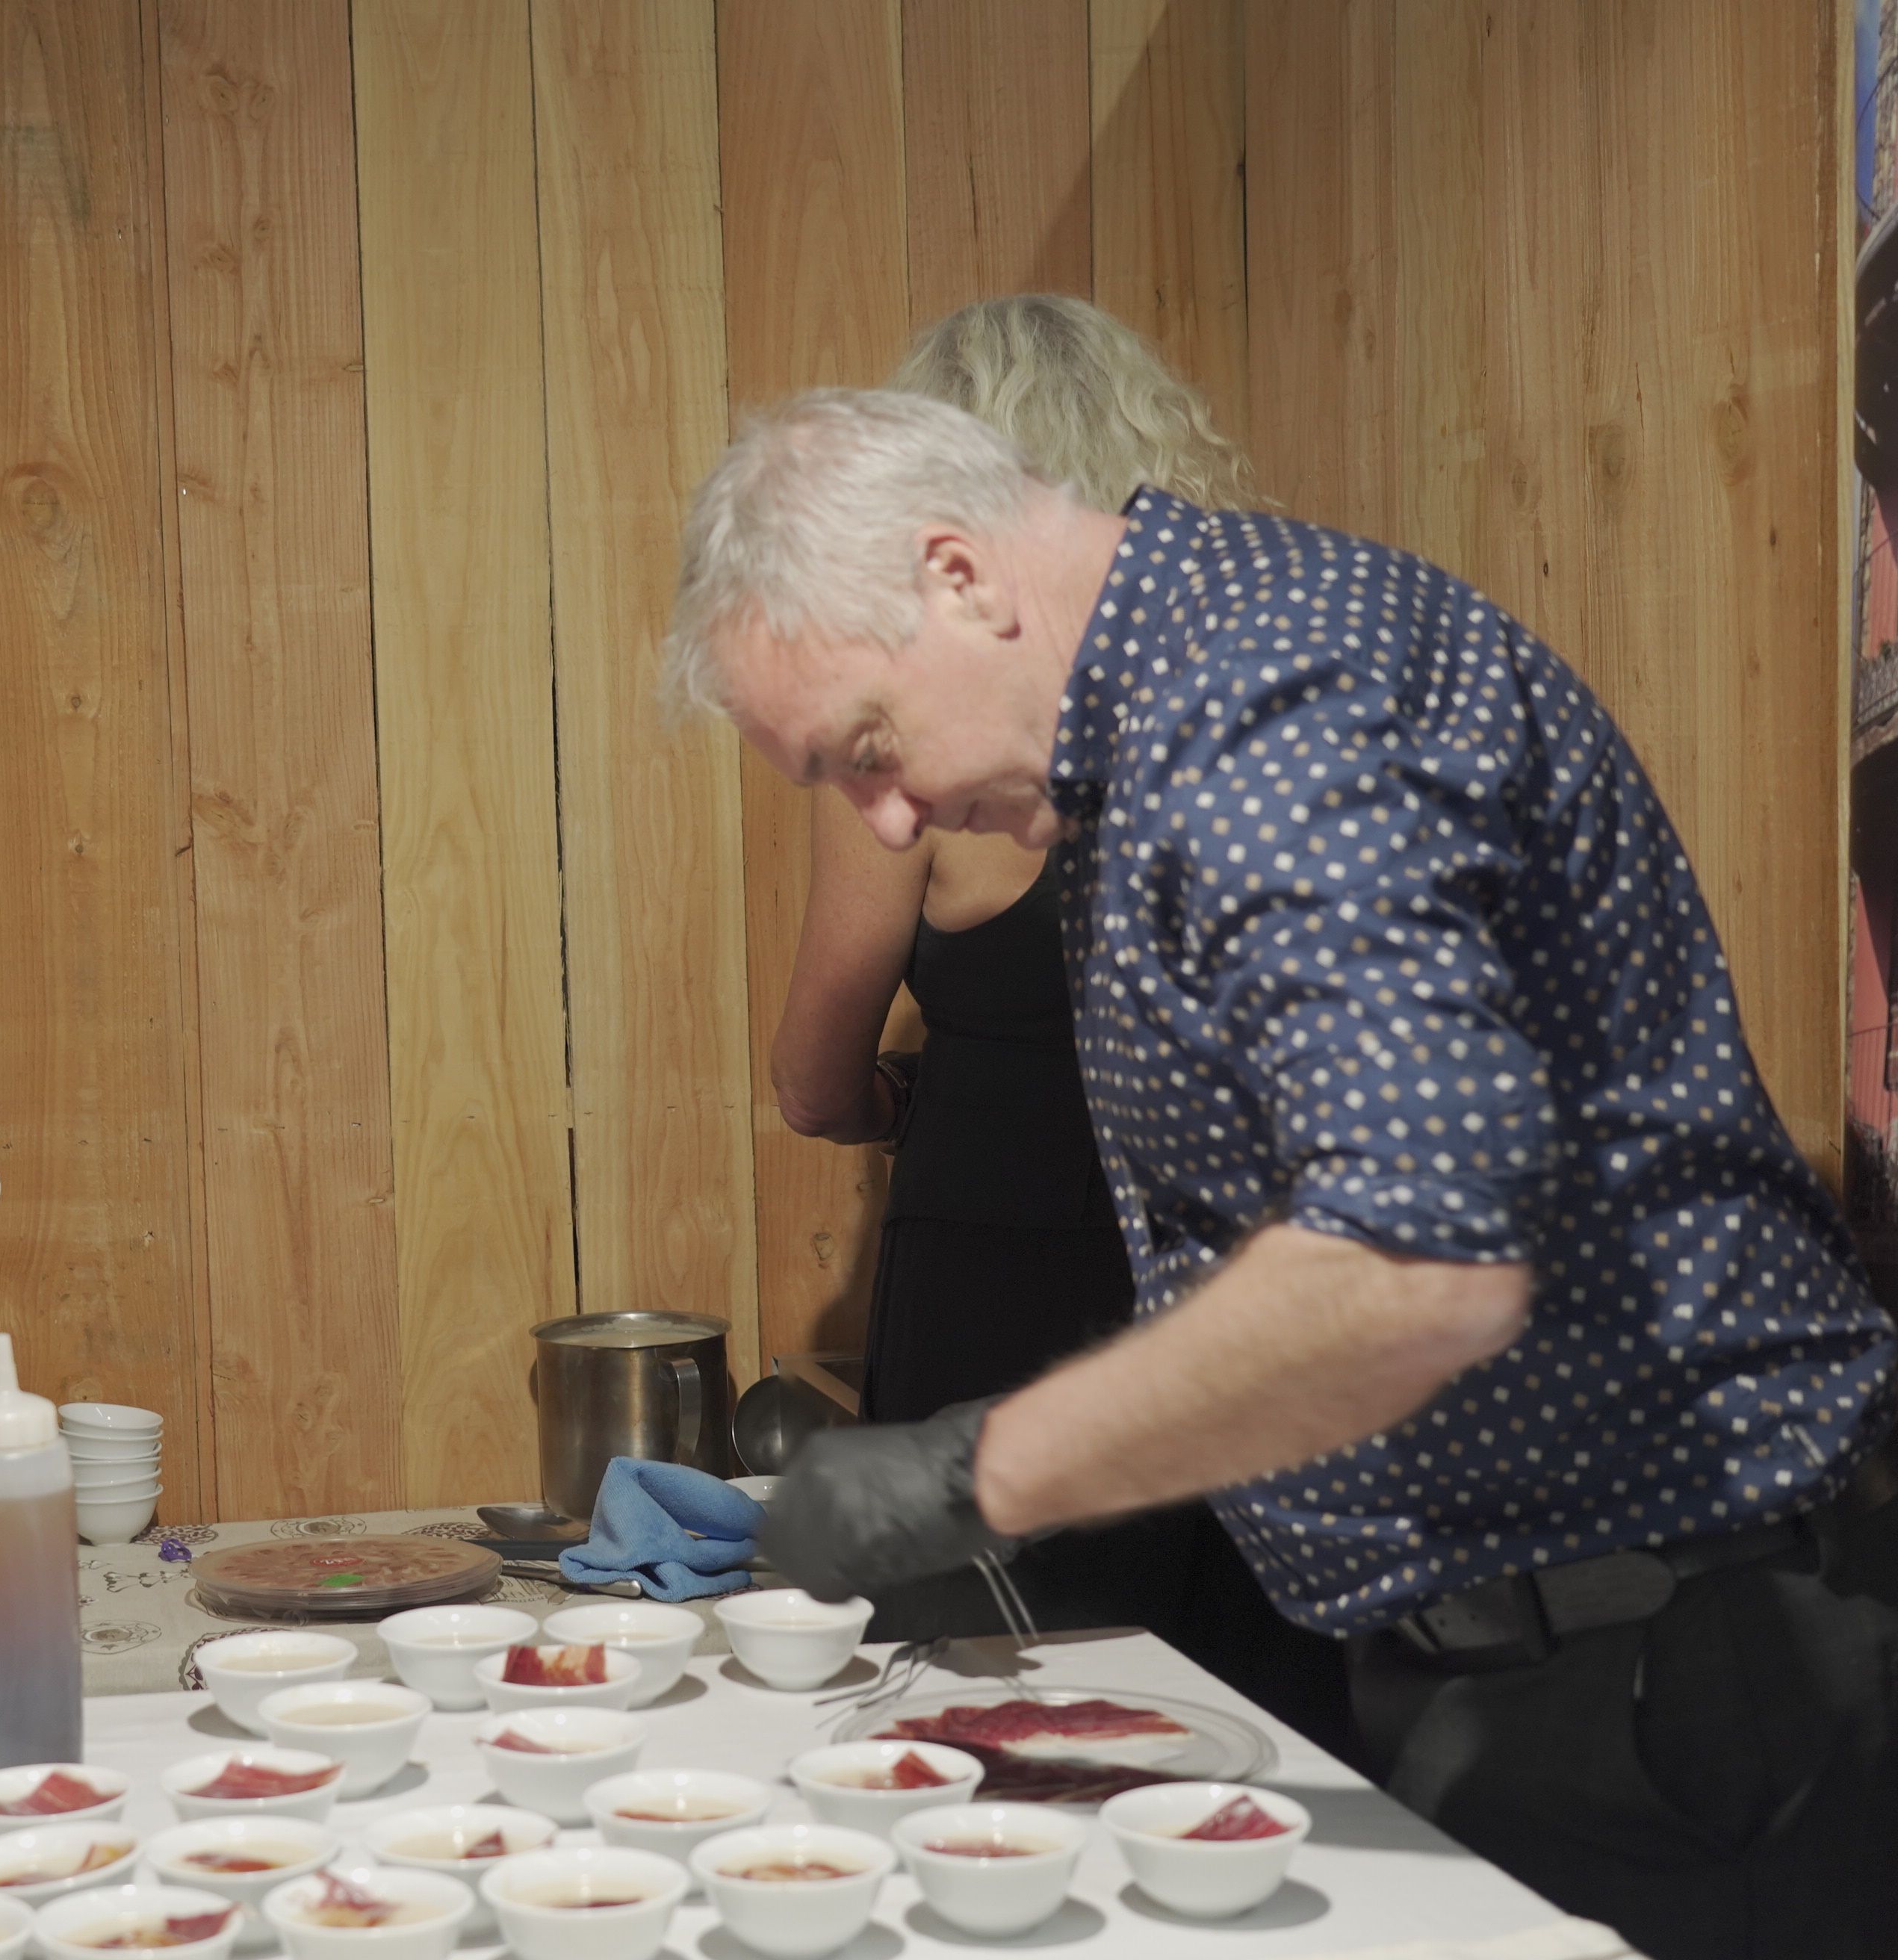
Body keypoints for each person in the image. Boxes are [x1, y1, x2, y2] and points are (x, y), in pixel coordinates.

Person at [664, 385, 1898, 1959]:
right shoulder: (1163, 705)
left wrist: (973, 1469)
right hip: (1537, 1632)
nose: (889, 816)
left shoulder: (1258, 710)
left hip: (1680, 1660)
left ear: (960, 576)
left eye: (870, 750)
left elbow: (1414, 1262)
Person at [772, 297, 1350, 1753]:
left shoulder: (913, 723)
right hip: (1220, 1289)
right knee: (1232, 1736)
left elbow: (811, 1075)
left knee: (981, 1739)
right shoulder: (1229, 690)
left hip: (997, 1291)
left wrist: (888, 1108)